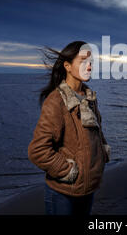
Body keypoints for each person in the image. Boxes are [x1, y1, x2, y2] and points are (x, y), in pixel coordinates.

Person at [28, 41, 111, 215]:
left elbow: (98, 132)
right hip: (63, 193)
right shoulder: (56, 102)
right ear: (67, 66)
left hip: (87, 189)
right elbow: (38, 151)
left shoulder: (90, 98)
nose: (89, 66)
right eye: (82, 62)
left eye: (90, 62)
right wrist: (69, 171)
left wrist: (103, 152)